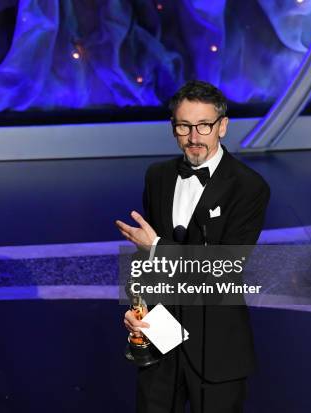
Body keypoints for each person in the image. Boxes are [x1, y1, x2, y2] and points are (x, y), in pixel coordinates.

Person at [116, 80, 270, 413]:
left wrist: (157, 245)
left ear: (222, 126)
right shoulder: (157, 176)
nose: (194, 137)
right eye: (184, 126)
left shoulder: (249, 187)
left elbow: (226, 266)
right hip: (160, 341)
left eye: (204, 125)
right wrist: (136, 308)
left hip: (216, 350)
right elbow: (144, 262)